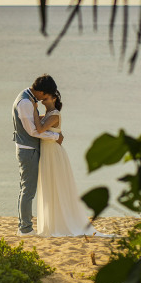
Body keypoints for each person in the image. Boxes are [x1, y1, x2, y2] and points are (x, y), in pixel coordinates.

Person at [33, 89, 100, 237]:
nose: (43, 97)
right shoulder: (47, 115)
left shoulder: (55, 114)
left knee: (57, 186)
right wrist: (35, 112)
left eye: (47, 95)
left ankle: (60, 223)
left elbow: (39, 128)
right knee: (49, 186)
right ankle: (52, 223)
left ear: (54, 99)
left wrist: (34, 109)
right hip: (47, 154)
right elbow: (37, 124)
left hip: (54, 154)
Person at [12, 74, 63, 236]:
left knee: (27, 188)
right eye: (46, 95)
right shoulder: (26, 102)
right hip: (28, 149)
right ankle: (25, 229)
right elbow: (33, 131)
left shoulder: (27, 98)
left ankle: (25, 226)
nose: (45, 99)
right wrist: (56, 137)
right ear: (41, 92)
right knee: (28, 190)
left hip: (28, 148)